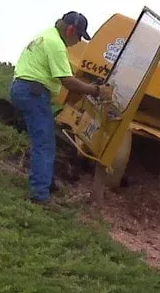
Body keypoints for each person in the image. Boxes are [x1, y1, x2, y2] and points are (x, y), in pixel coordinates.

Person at [9, 11, 111, 205]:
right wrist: (96, 90)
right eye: (79, 36)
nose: (79, 40)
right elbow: (68, 82)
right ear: (71, 30)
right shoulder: (56, 45)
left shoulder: (47, 34)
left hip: (25, 89)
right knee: (44, 144)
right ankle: (40, 195)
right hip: (33, 93)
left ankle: (47, 183)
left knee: (44, 139)